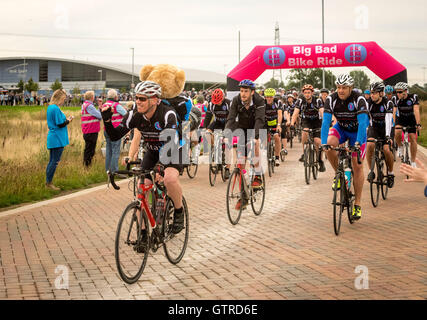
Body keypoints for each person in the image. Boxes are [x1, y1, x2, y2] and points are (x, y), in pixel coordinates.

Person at [101, 81, 185, 235]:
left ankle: (179, 212)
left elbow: (171, 143)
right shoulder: (134, 114)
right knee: (142, 188)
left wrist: (161, 166)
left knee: (169, 179)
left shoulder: (167, 114)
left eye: (142, 99)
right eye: (136, 98)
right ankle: (143, 234)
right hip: (153, 151)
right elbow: (114, 136)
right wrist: (107, 122)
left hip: (173, 150)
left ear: (154, 99)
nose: (138, 102)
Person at [321, 74, 369, 220]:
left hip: (357, 133)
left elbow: (362, 123)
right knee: (329, 145)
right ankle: (339, 175)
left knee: (357, 166)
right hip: (341, 128)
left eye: (344, 88)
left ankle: (358, 205)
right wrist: (324, 143)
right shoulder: (331, 99)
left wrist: (358, 144)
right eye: (338, 87)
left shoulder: (358, 99)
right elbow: (326, 122)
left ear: (351, 88)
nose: (341, 90)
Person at [225, 79, 265, 210]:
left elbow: (259, 120)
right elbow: (231, 119)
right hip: (241, 129)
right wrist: (226, 135)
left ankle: (258, 175)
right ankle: (244, 197)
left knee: (256, 145)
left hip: (255, 128)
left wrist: (255, 137)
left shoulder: (259, 101)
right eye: (241, 91)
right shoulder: (236, 101)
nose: (243, 94)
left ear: (252, 92)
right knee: (240, 164)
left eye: (246, 91)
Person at [365, 82, 395, 187]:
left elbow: (388, 120)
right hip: (374, 128)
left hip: (387, 128)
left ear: (381, 93)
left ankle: (391, 173)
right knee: (369, 145)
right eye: (371, 93)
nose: (372, 95)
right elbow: (365, 119)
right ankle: (371, 171)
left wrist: (387, 137)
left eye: (375, 93)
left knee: (386, 150)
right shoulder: (368, 103)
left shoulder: (388, 103)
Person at [291, 84, 326, 172]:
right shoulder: (300, 101)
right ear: (303, 93)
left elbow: (322, 112)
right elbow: (295, 113)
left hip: (317, 121)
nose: (307, 94)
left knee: (317, 141)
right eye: (305, 93)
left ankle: (319, 160)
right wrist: (292, 123)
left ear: (312, 93)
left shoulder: (317, 100)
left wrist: (326, 123)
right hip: (306, 120)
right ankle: (304, 154)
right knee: (305, 132)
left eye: (309, 92)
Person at [45, 89, 73, 190]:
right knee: (54, 161)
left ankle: (48, 182)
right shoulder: (55, 108)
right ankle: (49, 183)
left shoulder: (50, 107)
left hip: (54, 137)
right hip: (57, 138)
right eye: (63, 99)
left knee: (52, 161)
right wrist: (68, 120)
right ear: (59, 98)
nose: (63, 101)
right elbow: (60, 124)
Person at [204, 88, 232, 178]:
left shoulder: (228, 103)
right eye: (216, 102)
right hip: (217, 123)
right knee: (207, 134)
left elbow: (233, 118)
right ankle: (215, 149)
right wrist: (205, 127)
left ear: (223, 97)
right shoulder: (211, 104)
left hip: (228, 123)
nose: (218, 104)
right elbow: (208, 117)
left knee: (227, 144)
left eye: (219, 102)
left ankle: (227, 168)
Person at [393, 82, 422, 168]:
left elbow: (416, 110)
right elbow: (394, 112)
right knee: (397, 131)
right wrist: (394, 124)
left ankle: (413, 161)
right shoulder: (395, 98)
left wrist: (418, 124)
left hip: (411, 119)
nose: (398, 94)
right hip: (400, 118)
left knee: (413, 138)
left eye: (400, 92)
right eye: (396, 92)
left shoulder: (413, 97)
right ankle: (400, 146)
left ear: (405, 91)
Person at [102, 89, 127, 173]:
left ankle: (107, 170)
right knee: (115, 151)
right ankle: (114, 171)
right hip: (115, 131)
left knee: (109, 151)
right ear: (116, 96)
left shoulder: (104, 104)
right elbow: (126, 114)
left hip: (106, 130)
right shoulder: (116, 105)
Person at [81, 90, 102, 167]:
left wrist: (99, 106)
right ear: (92, 97)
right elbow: (99, 116)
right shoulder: (89, 106)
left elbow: (97, 114)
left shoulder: (85, 105)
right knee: (90, 150)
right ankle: (87, 166)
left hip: (87, 130)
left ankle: (86, 165)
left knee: (88, 149)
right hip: (91, 130)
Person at [264, 88, 281, 167]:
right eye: (267, 97)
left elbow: (280, 114)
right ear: (265, 97)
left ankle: (277, 157)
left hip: (275, 123)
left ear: (273, 97)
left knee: (276, 137)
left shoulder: (278, 102)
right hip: (265, 123)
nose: (269, 98)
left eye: (271, 97)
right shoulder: (263, 103)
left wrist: (279, 125)